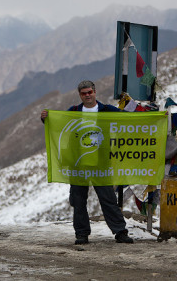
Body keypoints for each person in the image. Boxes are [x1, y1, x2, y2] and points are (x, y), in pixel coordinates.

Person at [41, 80, 134, 245]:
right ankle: (81, 234)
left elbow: (128, 118)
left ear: (95, 92)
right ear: (80, 95)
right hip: (78, 164)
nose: (87, 95)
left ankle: (120, 232)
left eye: (90, 92)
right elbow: (58, 123)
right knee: (78, 200)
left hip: (101, 163)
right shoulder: (74, 111)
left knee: (108, 199)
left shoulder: (106, 110)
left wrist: (155, 118)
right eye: (84, 93)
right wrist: (46, 119)